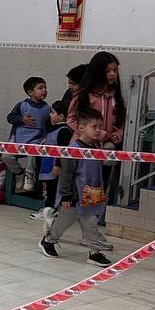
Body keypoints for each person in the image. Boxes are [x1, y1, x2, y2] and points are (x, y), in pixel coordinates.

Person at [39, 110, 114, 266]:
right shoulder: (73, 149)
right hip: (74, 197)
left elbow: (97, 173)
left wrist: (101, 193)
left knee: (91, 224)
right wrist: (66, 195)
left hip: (91, 197)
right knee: (63, 223)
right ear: (81, 128)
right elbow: (66, 174)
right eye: (94, 127)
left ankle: (94, 252)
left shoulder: (96, 147)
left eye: (100, 127)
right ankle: (49, 241)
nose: (98, 130)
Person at [69, 52, 126, 200]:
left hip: (106, 148)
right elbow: (71, 119)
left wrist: (119, 133)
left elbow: (121, 121)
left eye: (115, 70)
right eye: (108, 71)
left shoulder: (116, 95)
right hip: (84, 146)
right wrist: (94, 134)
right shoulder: (84, 95)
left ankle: (95, 208)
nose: (113, 74)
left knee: (98, 188)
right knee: (79, 185)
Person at [5, 76, 51, 192]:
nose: (44, 90)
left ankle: (29, 175)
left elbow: (49, 126)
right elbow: (10, 118)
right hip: (18, 138)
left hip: (35, 139)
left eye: (45, 87)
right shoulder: (21, 105)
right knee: (5, 156)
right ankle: (20, 173)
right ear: (30, 92)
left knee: (32, 151)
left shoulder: (47, 109)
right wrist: (22, 119)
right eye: (40, 88)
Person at [30, 99, 73, 223]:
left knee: (53, 191)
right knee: (49, 190)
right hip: (48, 165)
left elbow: (63, 151)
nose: (50, 115)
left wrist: (58, 165)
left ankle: (50, 211)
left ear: (61, 116)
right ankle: (48, 209)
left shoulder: (64, 131)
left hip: (55, 167)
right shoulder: (53, 129)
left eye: (53, 112)